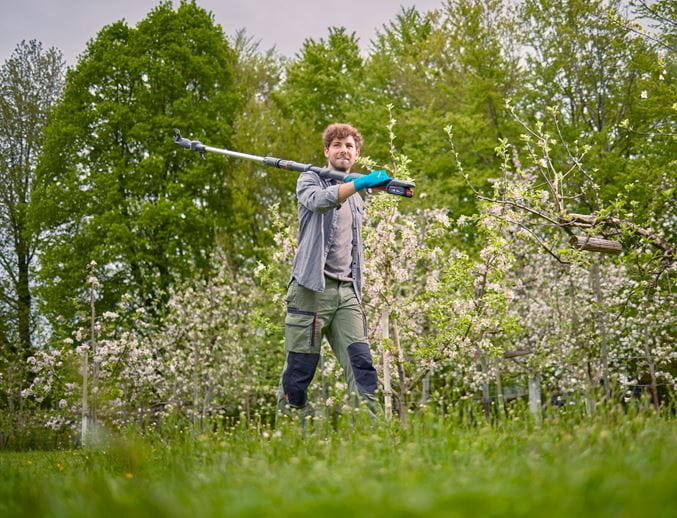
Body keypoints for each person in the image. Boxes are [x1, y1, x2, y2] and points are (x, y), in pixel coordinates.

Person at [276, 123, 391, 419]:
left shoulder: (356, 196)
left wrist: (364, 186)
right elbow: (319, 202)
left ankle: (374, 435)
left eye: (349, 146)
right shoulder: (309, 179)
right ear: (326, 151)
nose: (343, 150)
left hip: (347, 292)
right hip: (311, 290)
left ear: (357, 154)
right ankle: (286, 434)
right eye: (337, 145)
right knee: (298, 374)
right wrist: (359, 184)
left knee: (362, 368)